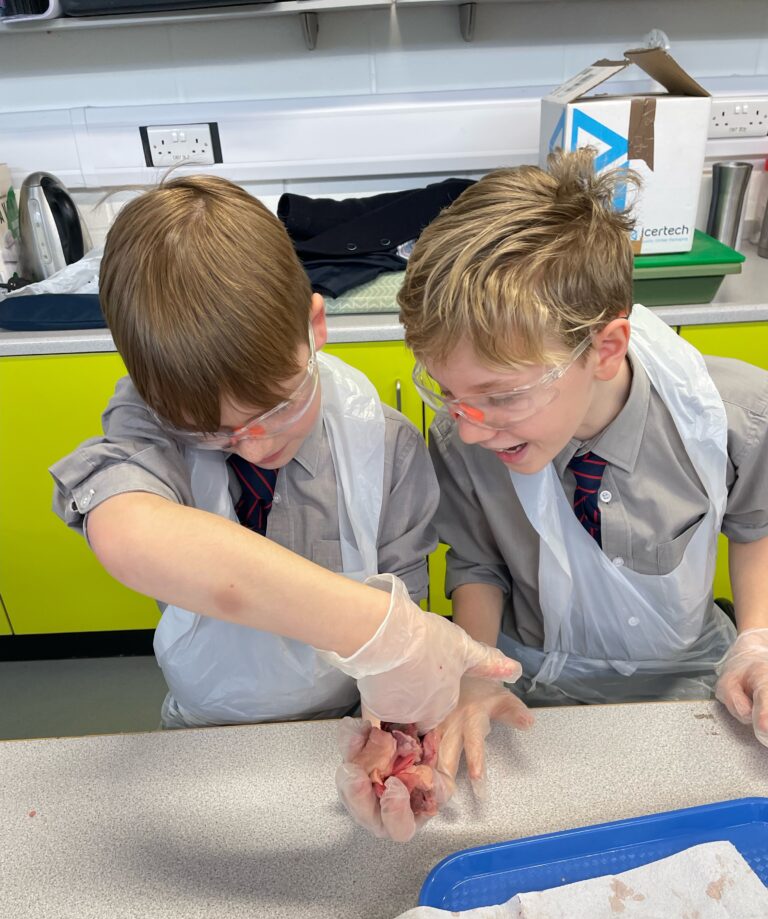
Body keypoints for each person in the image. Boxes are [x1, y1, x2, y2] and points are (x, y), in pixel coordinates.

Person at [49, 175, 528, 838]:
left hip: (343, 715)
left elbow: (403, 638)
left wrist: (392, 741)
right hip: (205, 731)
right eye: (213, 432)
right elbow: (128, 534)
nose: (255, 443)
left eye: (278, 407)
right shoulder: (153, 422)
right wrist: (389, 634)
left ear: (315, 324)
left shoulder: (385, 445)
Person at [398, 148, 768, 746]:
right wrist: (474, 674)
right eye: (446, 392)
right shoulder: (463, 438)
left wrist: (757, 642)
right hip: (533, 679)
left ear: (605, 348)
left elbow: (756, 525)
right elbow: (478, 564)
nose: (469, 428)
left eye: (504, 395)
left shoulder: (730, 418)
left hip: (692, 678)